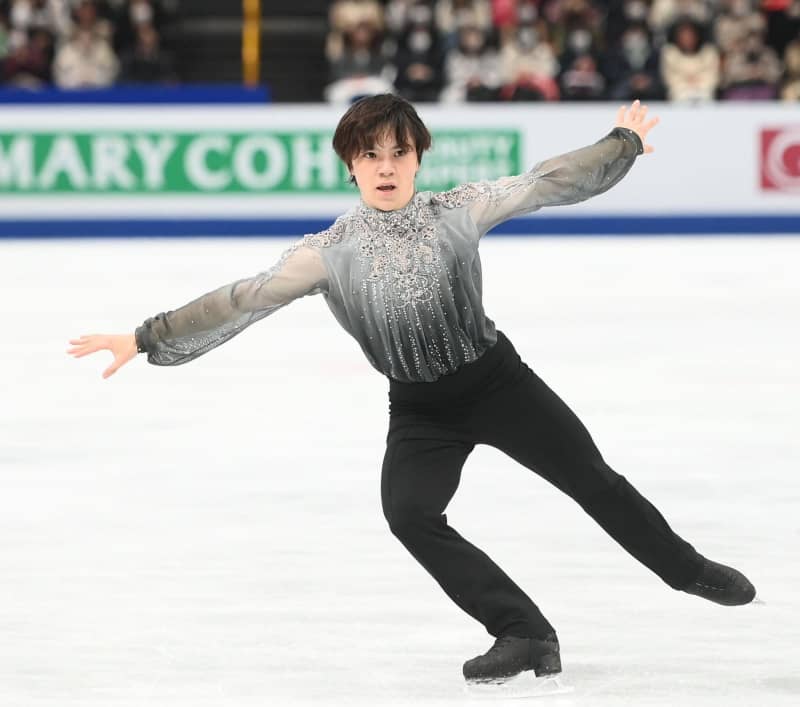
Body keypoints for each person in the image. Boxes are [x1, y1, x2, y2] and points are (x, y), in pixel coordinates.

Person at [67, 94, 756, 689]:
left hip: (499, 383)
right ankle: (522, 629)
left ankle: (686, 568)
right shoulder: (328, 253)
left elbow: (547, 182)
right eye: (371, 155)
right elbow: (239, 299)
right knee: (408, 511)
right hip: (422, 410)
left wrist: (622, 143)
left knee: (590, 477)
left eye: (399, 152)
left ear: (419, 158)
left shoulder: (457, 211)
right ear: (351, 164)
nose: (386, 166)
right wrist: (146, 336)